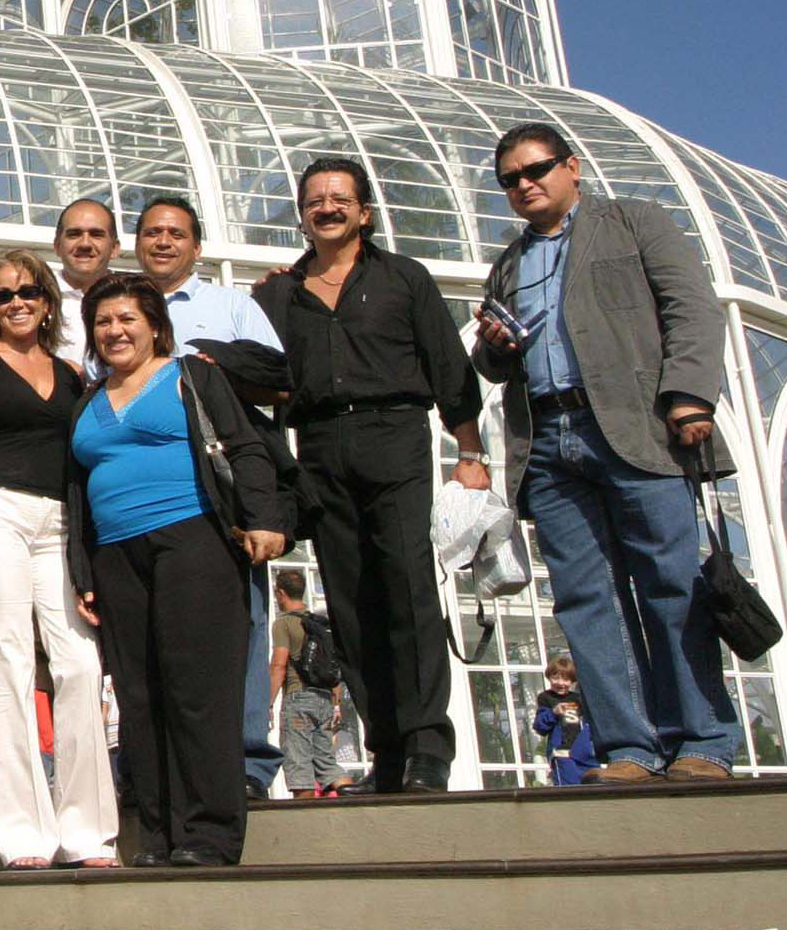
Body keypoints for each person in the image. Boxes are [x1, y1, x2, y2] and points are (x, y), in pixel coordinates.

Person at [473, 123, 741, 784]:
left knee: (672, 583)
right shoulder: (509, 263)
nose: (524, 184)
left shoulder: (634, 222)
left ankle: (702, 741)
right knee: (585, 598)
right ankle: (629, 747)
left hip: (634, 426)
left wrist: (688, 395)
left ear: (572, 167)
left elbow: (692, 309)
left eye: (535, 169)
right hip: (550, 441)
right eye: (510, 178)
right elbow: (491, 362)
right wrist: (494, 346)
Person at [254, 157, 488, 795]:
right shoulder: (279, 293)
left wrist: (470, 452)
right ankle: (386, 748)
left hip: (396, 436)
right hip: (322, 445)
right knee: (351, 603)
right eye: (314, 201)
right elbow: (258, 378)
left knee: (407, 588)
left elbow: (448, 364)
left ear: (364, 212)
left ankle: (425, 747)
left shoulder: (403, 278)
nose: (326, 208)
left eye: (339, 199)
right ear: (302, 215)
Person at [66, 273, 286, 866]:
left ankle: (209, 835)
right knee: (140, 694)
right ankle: (160, 838)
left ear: (155, 325)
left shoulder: (193, 376)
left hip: (194, 540)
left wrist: (264, 518)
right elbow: (77, 491)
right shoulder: (87, 398)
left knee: (197, 690)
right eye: (103, 322)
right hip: (116, 554)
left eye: (126, 319)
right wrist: (82, 570)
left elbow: (243, 446)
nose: (114, 331)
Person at [0, 250, 118, 870]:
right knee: (11, 661)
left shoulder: (72, 373)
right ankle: (22, 835)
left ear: (47, 300)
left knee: (78, 663)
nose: (16, 303)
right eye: (2, 295)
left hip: (58, 521)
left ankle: (88, 831)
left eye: (27, 292)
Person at [126, 195, 290, 802]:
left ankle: (247, 762)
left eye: (175, 234)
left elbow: (280, 377)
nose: (162, 242)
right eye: (151, 232)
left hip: (221, 493)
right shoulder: (119, 311)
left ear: (196, 247)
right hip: (147, 495)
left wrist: (210, 361)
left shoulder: (230, 306)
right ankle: (166, 765)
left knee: (244, 624)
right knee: (153, 635)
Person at [0, 198, 119, 372]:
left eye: (96, 234)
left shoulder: (133, 297)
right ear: (57, 245)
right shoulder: (31, 296)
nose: (85, 243)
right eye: (74, 234)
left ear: (115, 247)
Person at [270, 569, 347, 798]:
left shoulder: (283, 624)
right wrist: (336, 703)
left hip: (298, 698)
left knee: (299, 768)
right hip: (324, 700)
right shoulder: (318, 624)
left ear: (280, 593)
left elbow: (278, 665)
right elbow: (332, 667)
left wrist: (268, 702)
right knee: (328, 765)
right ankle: (353, 801)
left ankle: (305, 822)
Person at [534, 653, 600, 786]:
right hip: (562, 752)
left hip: (584, 752)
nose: (560, 683)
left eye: (565, 679)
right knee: (570, 786)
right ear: (549, 677)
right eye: (555, 678)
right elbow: (540, 726)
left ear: (572, 681)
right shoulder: (546, 698)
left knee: (594, 784)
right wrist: (553, 713)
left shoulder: (579, 699)